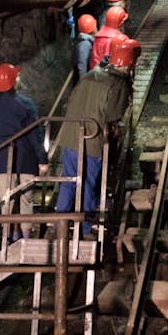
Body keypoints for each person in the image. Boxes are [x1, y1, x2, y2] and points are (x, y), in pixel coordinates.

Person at [56, 37, 141, 234]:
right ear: (129, 65)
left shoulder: (91, 75)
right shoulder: (117, 84)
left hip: (70, 137)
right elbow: (114, 114)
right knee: (89, 182)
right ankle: (86, 227)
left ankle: (59, 221)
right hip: (92, 140)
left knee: (69, 179)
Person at [0, 63, 50, 240]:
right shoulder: (25, 104)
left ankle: (9, 239)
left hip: (0, 161)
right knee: (25, 201)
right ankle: (25, 237)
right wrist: (42, 158)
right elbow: (34, 134)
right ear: (14, 81)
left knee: (7, 202)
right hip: (25, 159)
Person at [90, 6, 128, 71]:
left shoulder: (100, 35)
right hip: (104, 76)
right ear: (121, 23)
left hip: (94, 73)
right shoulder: (113, 40)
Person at [74, 14, 97, 78]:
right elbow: (82, 64)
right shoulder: (85, 44)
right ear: (93, 29)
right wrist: (82, 82)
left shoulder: (87, 41)